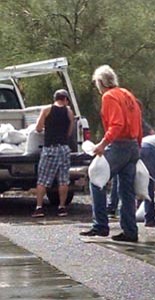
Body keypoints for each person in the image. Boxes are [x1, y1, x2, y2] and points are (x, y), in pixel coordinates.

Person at [80, 65, 142, 243]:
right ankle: (130, 231)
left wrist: (102, 144)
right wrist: (138, 145)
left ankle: (100, 225)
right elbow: (137, 120)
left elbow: (117, 124)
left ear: (100, 82)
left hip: (119, 145)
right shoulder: (127, 94)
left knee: (96, 179)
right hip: (132, 146)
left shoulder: (109, 96)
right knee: (126, 191)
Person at [106, 101, 155, 218]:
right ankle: (133, 209)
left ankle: (112, 207)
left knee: (119, 180)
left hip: (127, 148)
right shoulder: (137, 119)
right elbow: (151, 132)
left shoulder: (125, 116)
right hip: (135, 149)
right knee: (131, 181)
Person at [32, 89, 74, 218]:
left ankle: (39, 208)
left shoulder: (46, 110)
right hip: (64, 149)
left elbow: (38, 128)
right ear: (66, 99)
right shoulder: (69, 112)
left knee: (43, 180)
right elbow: (69, 132)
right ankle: (62, 207)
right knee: (63, 180)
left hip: (50, 148)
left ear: (55, 99)